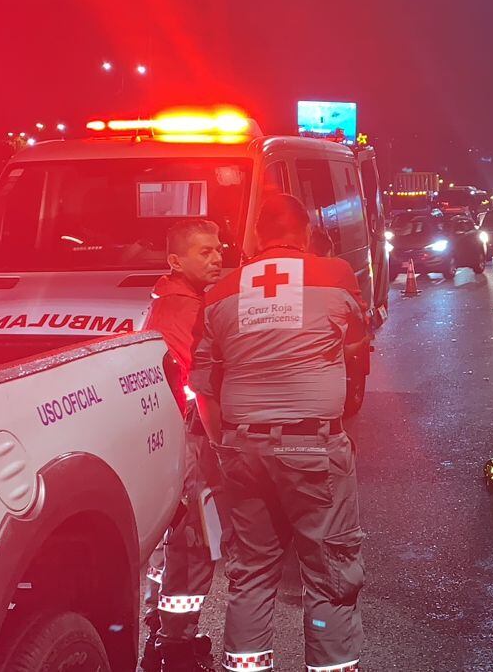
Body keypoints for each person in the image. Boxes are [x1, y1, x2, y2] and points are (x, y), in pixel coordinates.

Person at [197, 194, 368, 672]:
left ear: (256, 236)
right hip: (311, 445)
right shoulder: (333, 273)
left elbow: (205, 377)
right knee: (329, 572)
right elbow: (356, 337)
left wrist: (220, 441)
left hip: (242, 446)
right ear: (307, 232)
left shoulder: (221, 290)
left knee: (251, 572)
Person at [141, 218, 227, 672]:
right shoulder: (187, 311)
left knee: (171, 541)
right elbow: (197, 380)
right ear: (176, 260)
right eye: (204, 252)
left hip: (170, 437)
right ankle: (177, 645)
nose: (216, 258)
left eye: (217, 249)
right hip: (191, 437)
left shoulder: (169, 298)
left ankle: (160, 624)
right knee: (196, 542)